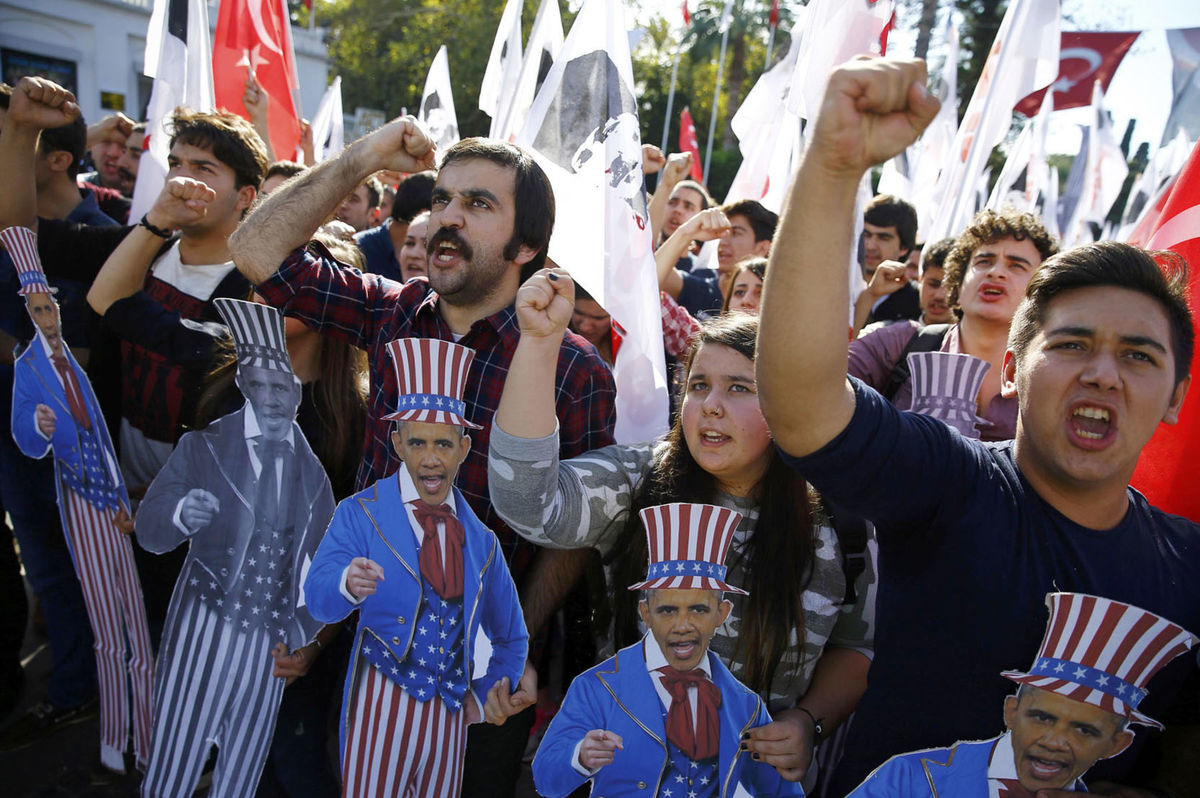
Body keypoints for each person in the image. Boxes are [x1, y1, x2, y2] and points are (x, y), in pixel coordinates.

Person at [755, 55, 1200, 792]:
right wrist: (835, 169)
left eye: (1139, 355)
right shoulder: (950, 482)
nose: (1103, 373)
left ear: (1179, 398)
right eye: (1072, 344)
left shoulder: (1189, 566)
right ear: (1017, 372)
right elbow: (804, 404)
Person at [227, 126, 616, 797]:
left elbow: (573, 534)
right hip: (359, 635)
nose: (448, 219)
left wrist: (512, 645)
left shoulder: (575, 372)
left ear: (527, 246)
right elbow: (256, 249)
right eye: (442, 201)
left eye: (479, 205)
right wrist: (367, 157)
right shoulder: (391, 312)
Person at [489, 271, 874, 790]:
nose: (711, 405)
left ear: (790, 403)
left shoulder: (842, 515)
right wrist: (538, 343)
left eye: (740, 388)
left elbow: (857, 647)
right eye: (698, 386)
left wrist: (807, 723)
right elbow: (527, 502)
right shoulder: (640, 478)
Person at [305, 337, 529, 797]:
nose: (431, 457)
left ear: (464, 448)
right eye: (419, 442)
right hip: (380, 704)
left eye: (444, 443)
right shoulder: (360, 513)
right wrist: (346, 583)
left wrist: (489, 691)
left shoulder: (483, 542)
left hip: (448, 717)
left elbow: (511, 635)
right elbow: (317, 595)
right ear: (397, 443)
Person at [134, 299, 334, 798]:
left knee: (244, 768)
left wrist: (306, 634)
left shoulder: (312, 473)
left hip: (269, 638)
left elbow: (324, 561)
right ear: (245, 386)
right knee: (175, 756)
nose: (271, 399)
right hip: (202, 625)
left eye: (282, 388)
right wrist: (181, 514)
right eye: (261, 385)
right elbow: (150, 528)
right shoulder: (203, 447)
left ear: (297, 394)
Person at [4, 227, 153, 776]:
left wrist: (121, 497)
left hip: (111, 502)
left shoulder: (72, 360)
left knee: (136, 628)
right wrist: (39, 427)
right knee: (108, 634)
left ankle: (152, 735)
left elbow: (99, 438)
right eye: (39, 309)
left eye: (51, 307)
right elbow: (26, 438)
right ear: (29, 311)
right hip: (80, 503)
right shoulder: (30, 370)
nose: (47, 317)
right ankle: (117, 739)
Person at [533, 502, 804, 798]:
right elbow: (546, 780)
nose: (683, 625)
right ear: (645, 612)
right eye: (667, 610)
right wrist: (579, 757)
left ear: (722, 613)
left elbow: (780, 791)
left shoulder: (746, 705)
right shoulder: (596, 687)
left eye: (699, 610)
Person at [850, 593, 1197, 796]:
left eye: (1084, 729)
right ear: (1011, 711)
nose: (1055, 741)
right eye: (1042, 716)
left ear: (1117, 744)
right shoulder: (913, 779)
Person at [848, 208, 1057, 442]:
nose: (996, 273)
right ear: (958, 285)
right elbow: (821, 387)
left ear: (1039, 292)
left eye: (1016, 265)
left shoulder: (1050, 376)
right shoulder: (900, 343)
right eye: (984, 261)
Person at [354, 170, 435, 280]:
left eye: (425, 245)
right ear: (422, 214)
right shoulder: (359, 248)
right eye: (409, 243)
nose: (414, 254)